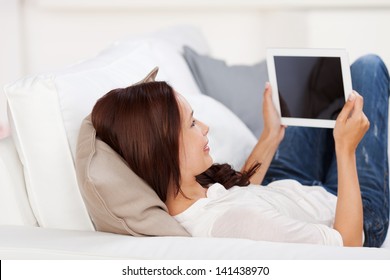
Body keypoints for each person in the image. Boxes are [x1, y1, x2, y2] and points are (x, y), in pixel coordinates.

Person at [91, 54, 389, 247]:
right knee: (368, 67)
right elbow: (348, 246)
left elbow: (241, 193)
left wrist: (271, 135)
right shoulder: (232, 224)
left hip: (281, 189)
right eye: (192, 123)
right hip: (347, 211)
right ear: (164, 148)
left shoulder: (189, 188)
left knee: (322, 78)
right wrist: (345, 149)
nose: (205, 127)